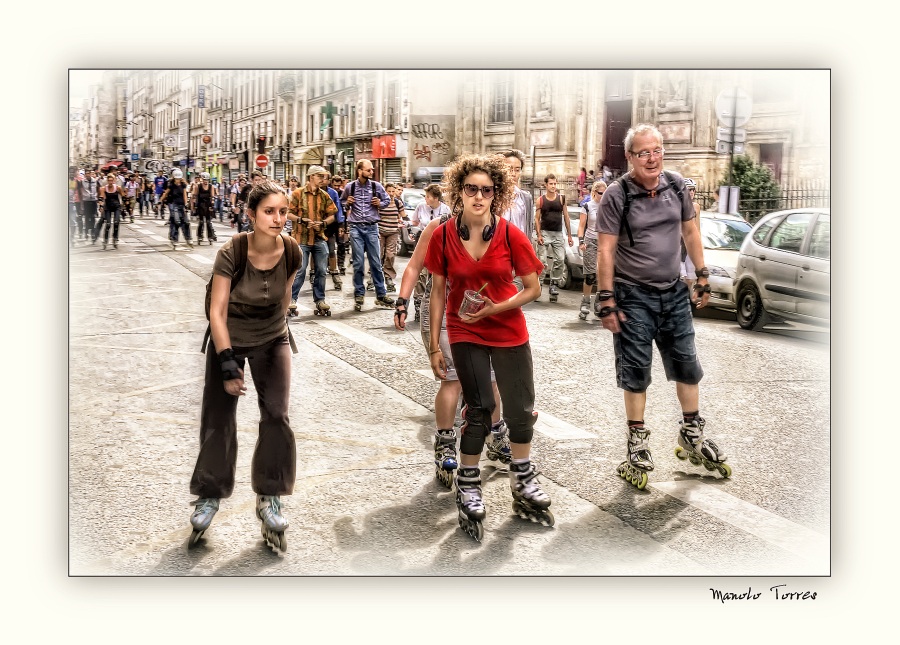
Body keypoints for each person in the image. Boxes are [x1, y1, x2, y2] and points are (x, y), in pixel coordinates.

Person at [424, 152, 552, 541]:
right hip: (464, 331)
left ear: (495, 195)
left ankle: (522, 476)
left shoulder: (511, 235)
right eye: (471, 189)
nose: (478, 196)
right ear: (459, 192)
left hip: (509, 330)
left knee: (519, 408)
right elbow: (438, 292)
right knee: (478, 406)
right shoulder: (444, 235)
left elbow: (533, 288)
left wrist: (498, 306)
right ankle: (468, 480)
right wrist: (433, 344)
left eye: (486, 190)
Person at [595, 124, 730, 491]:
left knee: (687, 364)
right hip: (631, 294)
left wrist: (701, 275)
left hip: (672, 292)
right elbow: (606, 249)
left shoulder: (676, 186)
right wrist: (606, 299)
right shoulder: (616, 195)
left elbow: (690, 232)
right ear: (630, 157)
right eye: (643, 152)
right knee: (636, 369)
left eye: (657, 150)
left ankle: (691, 433)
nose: (652, 158)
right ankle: (637, 444)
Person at [188, 180, 301, 552]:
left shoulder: (292, 251)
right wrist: (227, 363)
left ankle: (270, 496)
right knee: (218, 418)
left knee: (277, 415)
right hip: (229, 337)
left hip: (272, 337)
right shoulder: (232, 251)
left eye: (283, 211)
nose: (278, 218)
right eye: (269, 211)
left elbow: (284, 299)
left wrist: (273, 335)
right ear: (250, 215)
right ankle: (209, 495)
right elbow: (216, 312)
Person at [393, 200, 511, 490]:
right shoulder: (438, 228)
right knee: (453, 382)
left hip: (482, 315)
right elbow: (413, 267)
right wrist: (401, 302)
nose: (477, 199)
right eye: (469, 191)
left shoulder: (494, 228)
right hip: (444, 315)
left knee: (492, 381)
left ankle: (496, 436)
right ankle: (445, 443)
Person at [340, 159, 395, 311]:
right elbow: (342, 202)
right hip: (356, 228)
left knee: (376, 262)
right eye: (369, 170)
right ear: (359, 171)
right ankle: (359, 293)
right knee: (358, 263)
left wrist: (380, 203)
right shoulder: (350, 187)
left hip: (372, 228)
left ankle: (381, 294)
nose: (371, 172)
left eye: (372, 170)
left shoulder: (375, 186)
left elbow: (387, 200)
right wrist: (347, 203)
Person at [287, 165, 337, 317]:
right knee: (300, 270)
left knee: (322, 270)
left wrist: (322, 223)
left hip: (319, 237)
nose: (323, 179)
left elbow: (332, 215)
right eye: (320, 176)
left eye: (323, 177)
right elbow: (288, 213)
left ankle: (320, 300)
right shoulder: (297, 193)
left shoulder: (324, 195)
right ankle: (291, 299)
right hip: (301, 237)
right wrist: (301, 220)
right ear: (311, 177)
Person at [410, 184, 451, 319]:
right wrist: (412, 230)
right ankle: (418, 305)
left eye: (428, 196)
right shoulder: (421, 206)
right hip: (423, 241)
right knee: (421, 274)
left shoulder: (446, 210)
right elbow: (415, 222)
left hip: (439, 245)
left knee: (435, 275)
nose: (426, 199)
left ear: (435, 198)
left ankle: (435, 305)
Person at [499, 149, 536, 291]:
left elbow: (527, 227)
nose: (513, 174)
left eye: (517, 169)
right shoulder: (491, 194)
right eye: (509, 169)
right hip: (496, 254)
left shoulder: (525, 198)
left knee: (513, 298)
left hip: (517, 256)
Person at [535, 173, 573, 302]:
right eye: (551, 184)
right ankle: (538, 285)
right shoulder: (541, 200)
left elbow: (566, 217)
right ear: (546, 185)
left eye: (555, 183)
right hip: (545, 233)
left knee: (560, 260)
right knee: (542, 261)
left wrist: (569, 235)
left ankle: (554, 284)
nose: (553, 186)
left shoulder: (561, 198)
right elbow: (537, 219)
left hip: (558, 233)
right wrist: (539, 234)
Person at [576, 181, 607, 319]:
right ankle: (585, 302)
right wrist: (581, 241)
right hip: (590, 241)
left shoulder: (608, 206)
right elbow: (582, 226)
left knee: (603, 274)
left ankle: (599, 302)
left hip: (604, 242)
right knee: (590, 275)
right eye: (601, 193)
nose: (603, 195)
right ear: (594, 192)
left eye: (605, 193)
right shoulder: (588, 206)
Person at [371, 182, 403, 293]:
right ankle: (373, 278)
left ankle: (388, 277)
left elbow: (403, 215)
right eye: (388, 191)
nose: (391, 193)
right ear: (384, 191)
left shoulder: (398, 203)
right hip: (380, 231)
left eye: (393, 191)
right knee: (377, 255)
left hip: (393, 232)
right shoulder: (380, 202)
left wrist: (407, 223)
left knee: (390, 255)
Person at [159, 169, 193, 249]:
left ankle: (188, 238)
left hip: (181, 204)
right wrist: (160, 201)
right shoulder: (171, 185)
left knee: (186, 222)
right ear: (174, 178)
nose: (178, 180)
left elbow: (185, 195)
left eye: (179, 178)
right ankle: (174, 239)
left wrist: (186, 204)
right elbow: (165, 193)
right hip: (173, 204)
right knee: (176, 221)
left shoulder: (183, 185)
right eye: (177, 178)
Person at [322, 171, 345, 290]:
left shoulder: (333, 193)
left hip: (330, 226)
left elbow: (338, 209)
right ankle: (313, 272)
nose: (322, 180)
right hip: (314, 227)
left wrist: (341, 224)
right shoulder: (311, 192)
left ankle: (335, 273)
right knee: (315, 251)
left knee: (332, 249)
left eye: (324, 178)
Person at [679, 178, 702, 293]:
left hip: (690, 247)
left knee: (690, 279)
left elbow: (697, 229)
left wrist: (699, 246)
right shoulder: (678, 205)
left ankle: (686, 297)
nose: (692, 192)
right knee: (681, 277)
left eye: (693, 190)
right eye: (689, 190)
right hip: (679, 246)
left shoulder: (696, 207)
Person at [94, 172, 124, 249]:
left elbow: (123, 196)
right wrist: (100, 206)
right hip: (108, 207)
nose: (110, 182)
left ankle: (115, 238)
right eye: (109, 180)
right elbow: (101, 197)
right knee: (108, 224)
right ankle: (105, 240)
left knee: (116, 222)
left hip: (116, 206)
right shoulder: (103, 188)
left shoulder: (118, 187)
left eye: (112, 180)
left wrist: (124, 206)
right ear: (107, 181)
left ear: (114, 180)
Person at [190, 172, 218, 245]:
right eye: (204, 180)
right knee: (201, 221)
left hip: (208, 205)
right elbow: (194, 196)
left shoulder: (211, 186)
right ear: (201, 179)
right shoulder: (198, 186)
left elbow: (212, 196)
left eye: (207, 180)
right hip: (200, 205)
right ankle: (200, 236)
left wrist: (212, 205)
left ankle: (210, 236)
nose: (206, 181)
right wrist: (193, 206)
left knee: (208, 222)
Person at [80, 169, 100, 238]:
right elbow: (80, 192)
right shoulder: (82, 182)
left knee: (93, 216)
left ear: (91, 174)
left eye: (89, 173)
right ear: (85, 174)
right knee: (87, 217)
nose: (88, 175)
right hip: (86, 201)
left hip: (93, 200)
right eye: (86, 174)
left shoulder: (95, 181)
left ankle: (92, 231)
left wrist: (98, 198)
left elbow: (98, 189)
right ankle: (86, 231)